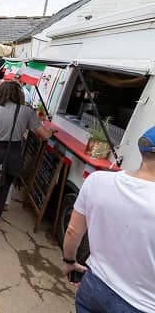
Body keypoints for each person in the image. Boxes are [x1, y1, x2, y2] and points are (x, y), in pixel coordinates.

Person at [62, 126, 155, 313]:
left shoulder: (98, 181)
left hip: (94, 284)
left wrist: (69, 261)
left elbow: (73, 231)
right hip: (142, 304)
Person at [0, 81, 52, 232]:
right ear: (19, 94)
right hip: (13, 153)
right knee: (3, 190)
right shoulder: (27, 111)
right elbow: (44, 135)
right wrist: (50, 131)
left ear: (0, 93)